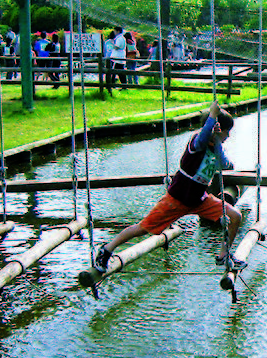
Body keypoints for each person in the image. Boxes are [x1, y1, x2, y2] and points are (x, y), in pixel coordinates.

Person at [94, 101, 244, 273]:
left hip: (199, 200)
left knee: (236, 216)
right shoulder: (197, 142)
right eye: (227, 131)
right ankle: (106, 250)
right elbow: (203, 138)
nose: (229, 136)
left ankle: (223, 254)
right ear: (215, 128)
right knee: (143, 228)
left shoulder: (215, 148)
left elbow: (226, 165)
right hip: (176, 200)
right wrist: (211, 117)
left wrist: (218, 141)